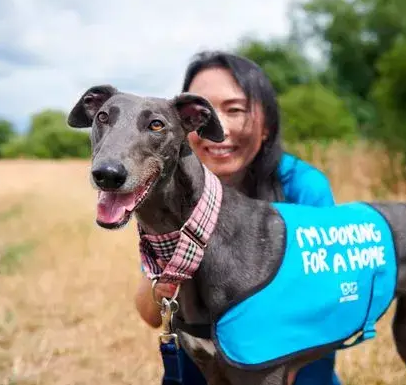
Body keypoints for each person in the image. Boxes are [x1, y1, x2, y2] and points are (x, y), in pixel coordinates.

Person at [133, 51, 342, 385]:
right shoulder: (171, 191)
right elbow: (149, 314)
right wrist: (169, 272)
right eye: (203, 113)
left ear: (266, 125)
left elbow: (334, 299)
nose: (220, 128)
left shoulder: (302, 187)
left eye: (235, 110)